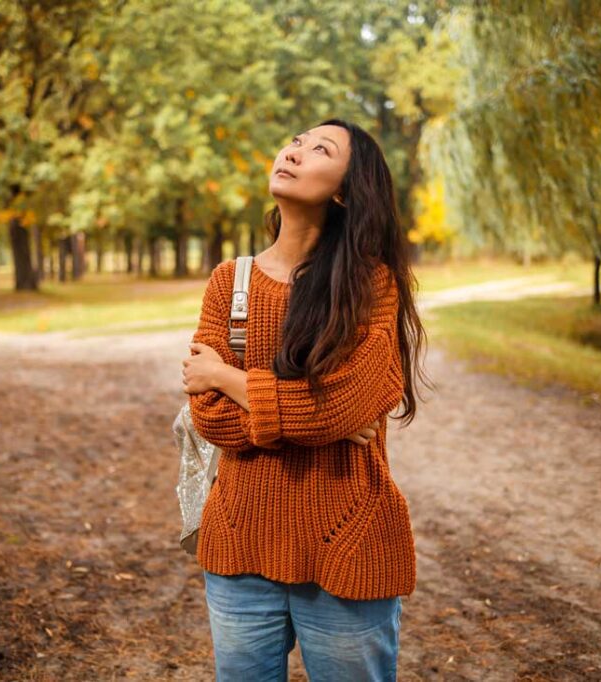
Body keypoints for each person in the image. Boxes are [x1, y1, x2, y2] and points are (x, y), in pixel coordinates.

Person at [181, 118, 432, 681]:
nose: (294, 151)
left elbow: (347, 404)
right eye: (295, 140)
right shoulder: (231, 281)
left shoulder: (372, 285)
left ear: (345, 189)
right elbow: (210, 418)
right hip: (240, 544)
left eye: (321, 150)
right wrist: (321, 421)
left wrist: (228, 377)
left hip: (347, 542)